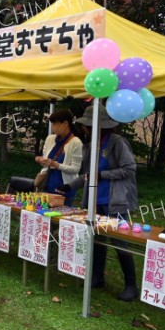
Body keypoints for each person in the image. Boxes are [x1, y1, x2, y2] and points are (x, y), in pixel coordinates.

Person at [57, 103, 139, 301]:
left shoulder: (117, 142)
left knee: (120, 242)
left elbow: (129, 169)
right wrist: (70, 186)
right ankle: (97, 277)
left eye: (87, 126)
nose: (84, 128)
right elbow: (87, 175)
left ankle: (131, 286)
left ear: (98, 127)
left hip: (115, 201)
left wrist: (103, 175)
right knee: (98, 240)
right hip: (94, 202)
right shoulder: (90, 146)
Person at [34, 110, 83, 206]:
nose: (53, 127)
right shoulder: (50, 138)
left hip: (64, 189)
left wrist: (56, 165)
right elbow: (47, 161)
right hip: (47, 185)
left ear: (65, 124)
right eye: (52, 124)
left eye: (55, 124)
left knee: (58, 219)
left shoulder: (76, 142)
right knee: (43, 215)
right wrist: (41, 160)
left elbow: (76, 169)